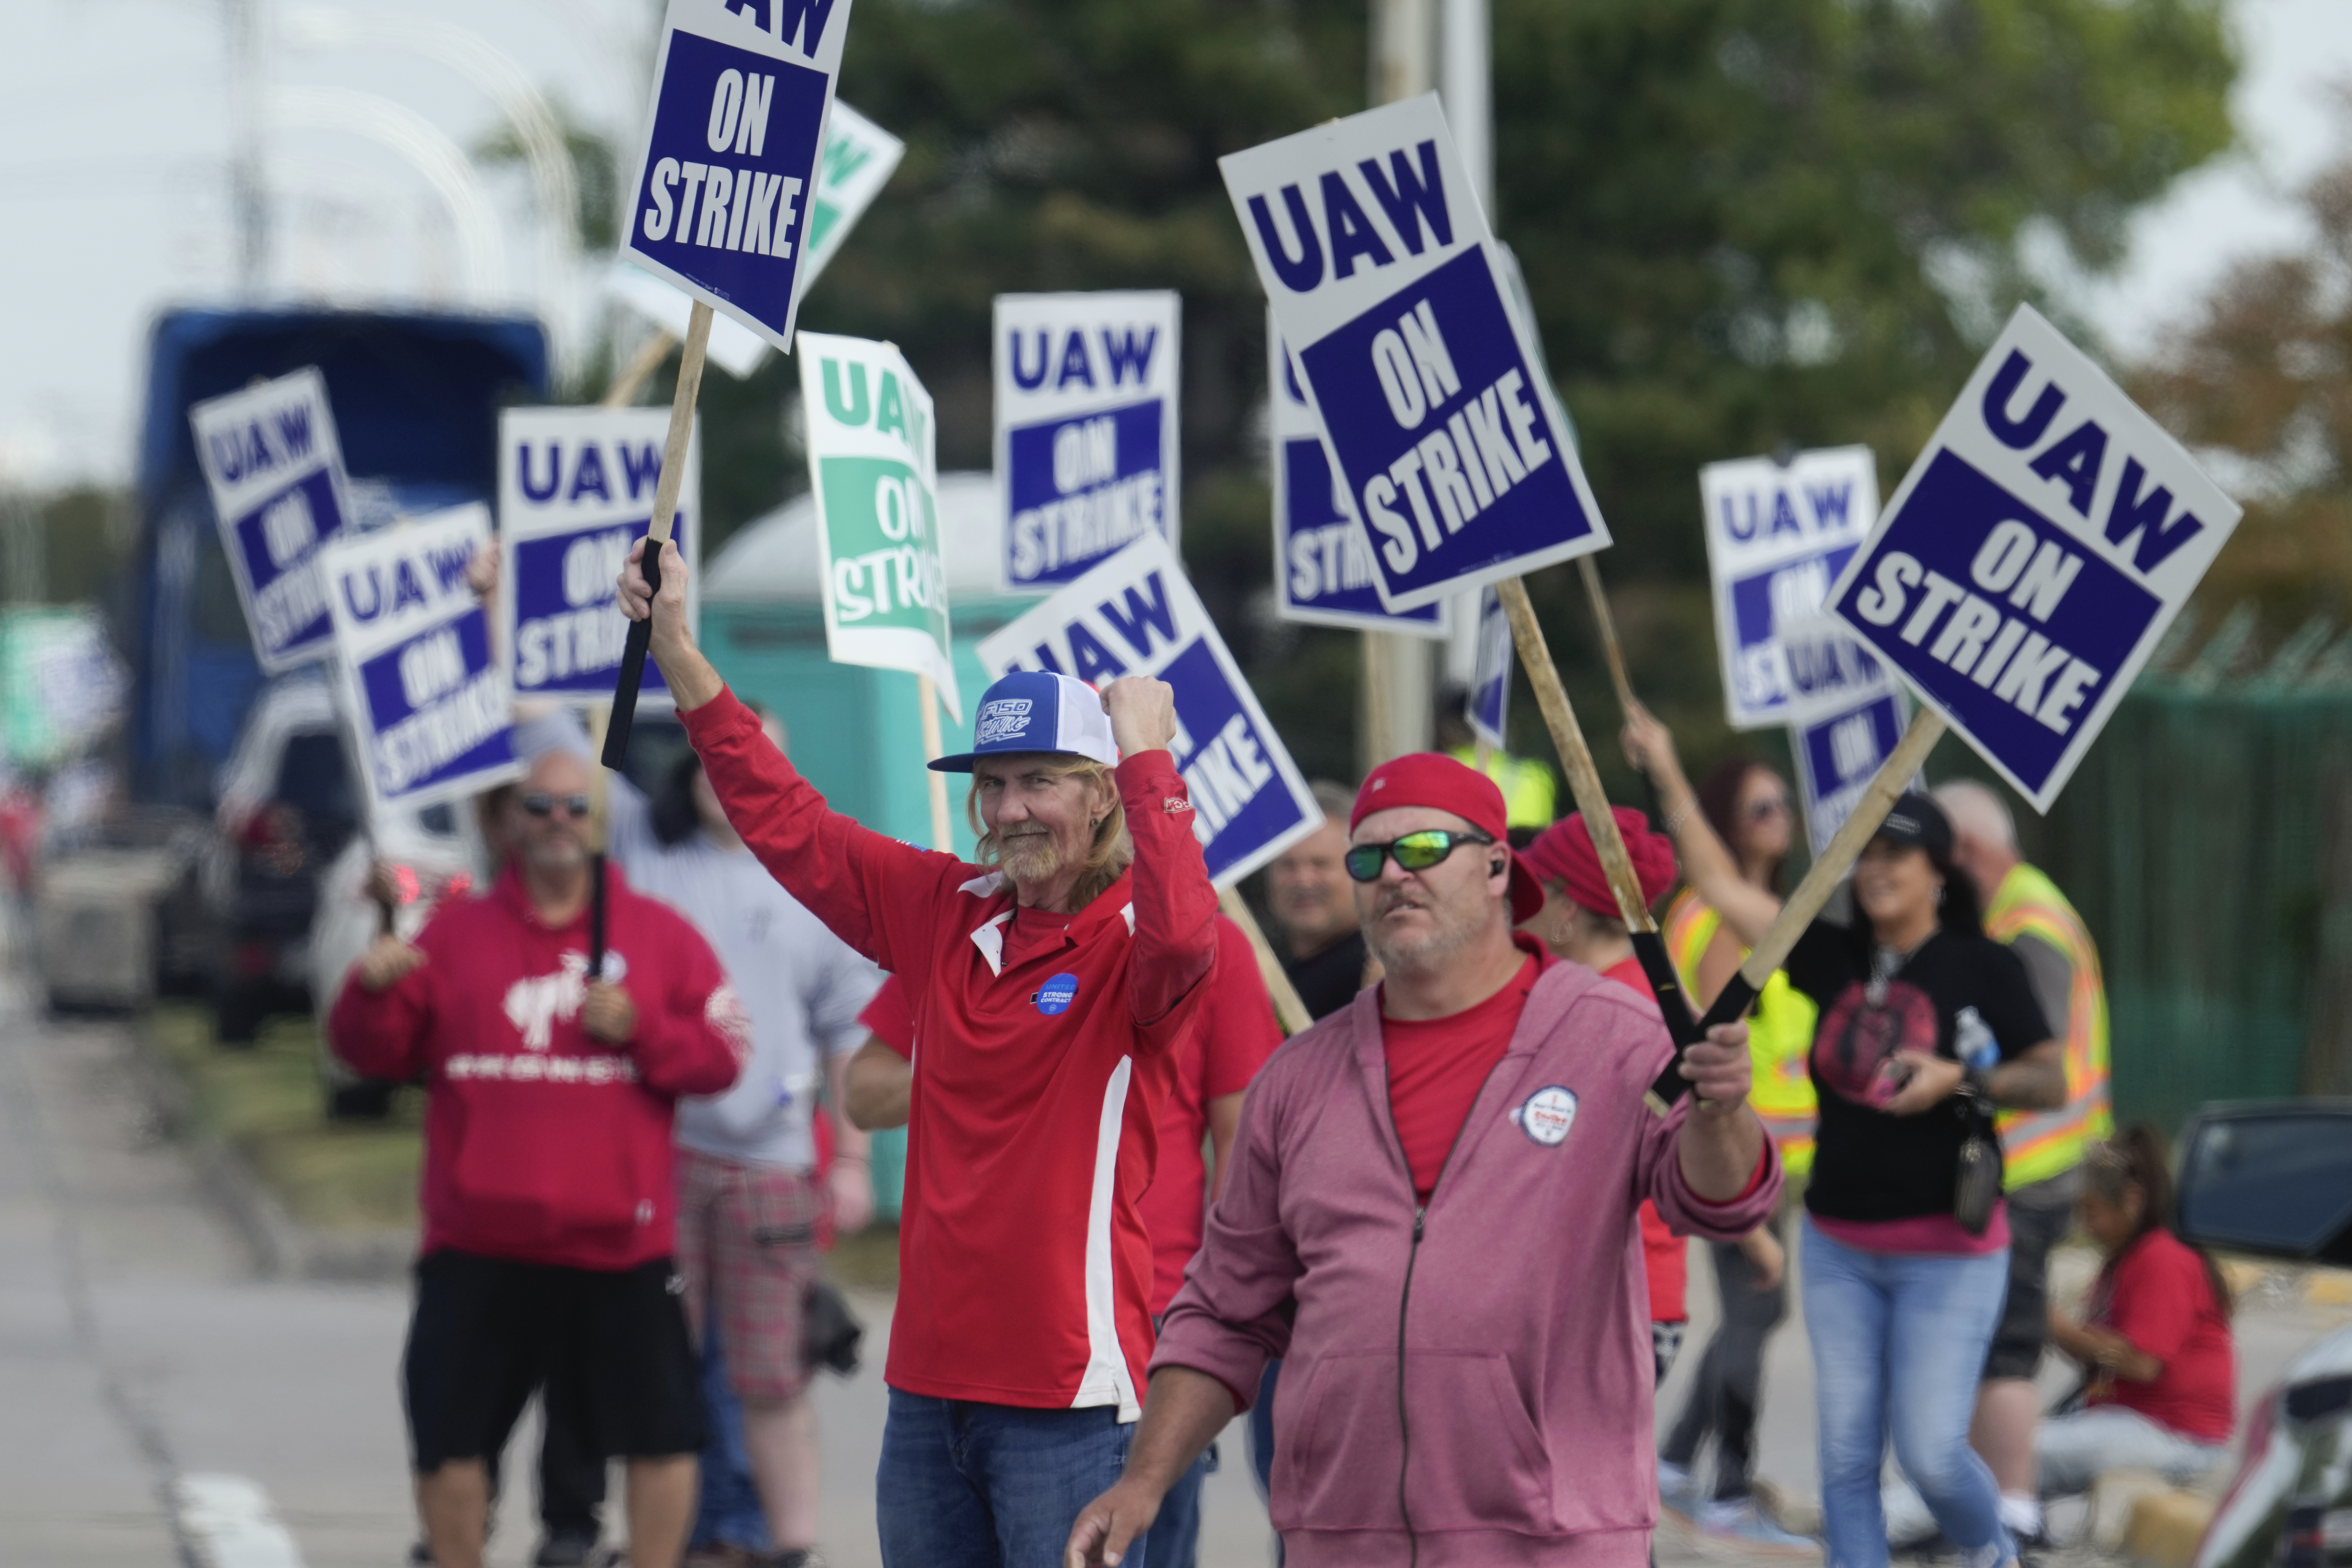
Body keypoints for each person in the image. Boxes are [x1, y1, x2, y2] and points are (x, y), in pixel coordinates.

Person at [617, 535, 1219, 1568]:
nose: (1008, 808)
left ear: (1101, 795)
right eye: (992, 784)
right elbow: (788, 821)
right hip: (928, 1391)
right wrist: (675, 647)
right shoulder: (949, 908)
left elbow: (1184, 936)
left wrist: (1148, 753)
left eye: (1040, 780)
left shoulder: (1133, 942)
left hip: (1067, 1399)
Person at [1064, 753, 1781, 1568]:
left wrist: (1722, 1111)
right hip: (1342, 1539)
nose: (1393, 875)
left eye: (1423, 848)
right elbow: (1225, 1309)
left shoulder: (1615, 1036)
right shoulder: (1297, 1079)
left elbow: (1723, 1200)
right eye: (1367, 858)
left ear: (1497, 867)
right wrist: (1142, 1481)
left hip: (1552, 1539)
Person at [1626, 706, 2068, 1568]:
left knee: (1934, 1450)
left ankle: (1991, 1550)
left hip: (1951, 1247)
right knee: (1845, 1460)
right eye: (1863, 853)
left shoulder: (1986, 964)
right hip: (1839, 1245)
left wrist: (1960, 1080)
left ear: (1939, 871)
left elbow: (2048, 1075)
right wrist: (1666, 768)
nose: (1873, 870)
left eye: (1893, 853)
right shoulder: (1828, 956)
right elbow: (1719, 888)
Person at [329, 743, 747, 1568]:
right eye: (539, 807)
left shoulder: (660, 936)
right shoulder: (455, 932)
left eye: (573, 807)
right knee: (448, 1435)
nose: (557, 823)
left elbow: (723, 1057)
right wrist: (368, 988)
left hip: (620, 1248)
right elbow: (372, 1054)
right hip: (478, 1245)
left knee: (661, 1433)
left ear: (598, 821)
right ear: (508, 821)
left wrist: (643, 1029)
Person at [849, 912, 1284, 1568]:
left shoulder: (1204, 943)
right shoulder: (968, 939)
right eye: (1001, 799)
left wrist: (1217, 1301)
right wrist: (973, 1057)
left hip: (1148, 1310)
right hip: (961, 1330)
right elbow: (861, 1091)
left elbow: (1243, 1136)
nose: (1018, 810)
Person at [610, 716, 885, 1568]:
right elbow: (552, 745)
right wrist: (495, 610)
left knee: (773, 1374)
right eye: (712, 752)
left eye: (750, 753)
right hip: (661, 1155)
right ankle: (666, 1539)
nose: (724, 770)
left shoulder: (812, 882)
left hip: (771, 1163)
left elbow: (849, 1033)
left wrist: (848, 1160)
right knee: (660, 1365)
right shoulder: (643, 853)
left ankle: (781, 1544)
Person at [1933, 779, 2114, 1549]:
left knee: (2005, 1343)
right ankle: (1992, 1504)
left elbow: (2031, 1053)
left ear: (1968, 851)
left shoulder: (2028, 923)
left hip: (2033, 1163)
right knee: (1989, 1340)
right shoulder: (2018, 910)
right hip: (2028, 1162)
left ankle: (2011, 1508)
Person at [1646, 755, 1819, 1549]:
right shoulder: (1722, 920)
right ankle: (1724, 1485)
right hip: (1729, 1156)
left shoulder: (1752, 909)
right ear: (1725, 820)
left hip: (1762, 1160)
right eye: (1758, 807)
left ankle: (1678, 1459)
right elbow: (1716, 1048)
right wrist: (1663, 768)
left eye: (1782, 802)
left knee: (1752, 1310)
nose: (1778, 815)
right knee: (1756, 1307)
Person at [1515, 809, 1704, 1393]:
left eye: (1533, 890)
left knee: (1569, 1483)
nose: (1516, 905)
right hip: (1637, 1295)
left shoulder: (1610, 1010)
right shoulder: (1637, 989)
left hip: (1611, 1303)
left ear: (1567, 907)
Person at [2039, 1126, 2233, 1494]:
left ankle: (1896, 1525)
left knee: (2012, 1451)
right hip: (2127, 1423)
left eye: (2092, 1212)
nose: (2086, 1226)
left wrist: (2052, 1322)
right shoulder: (2121, 1263)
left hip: (2173, 1438)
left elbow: (2141, 1364)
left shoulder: (2162, 1259)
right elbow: (2099, 1360)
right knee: (2001, 1452)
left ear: (2131, 1200)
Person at [1266, 780, 1374, 1020]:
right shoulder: (1268, 974)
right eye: (1288, 865)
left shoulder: (1378, 976)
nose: (1303, 880)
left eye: (1320, 864)